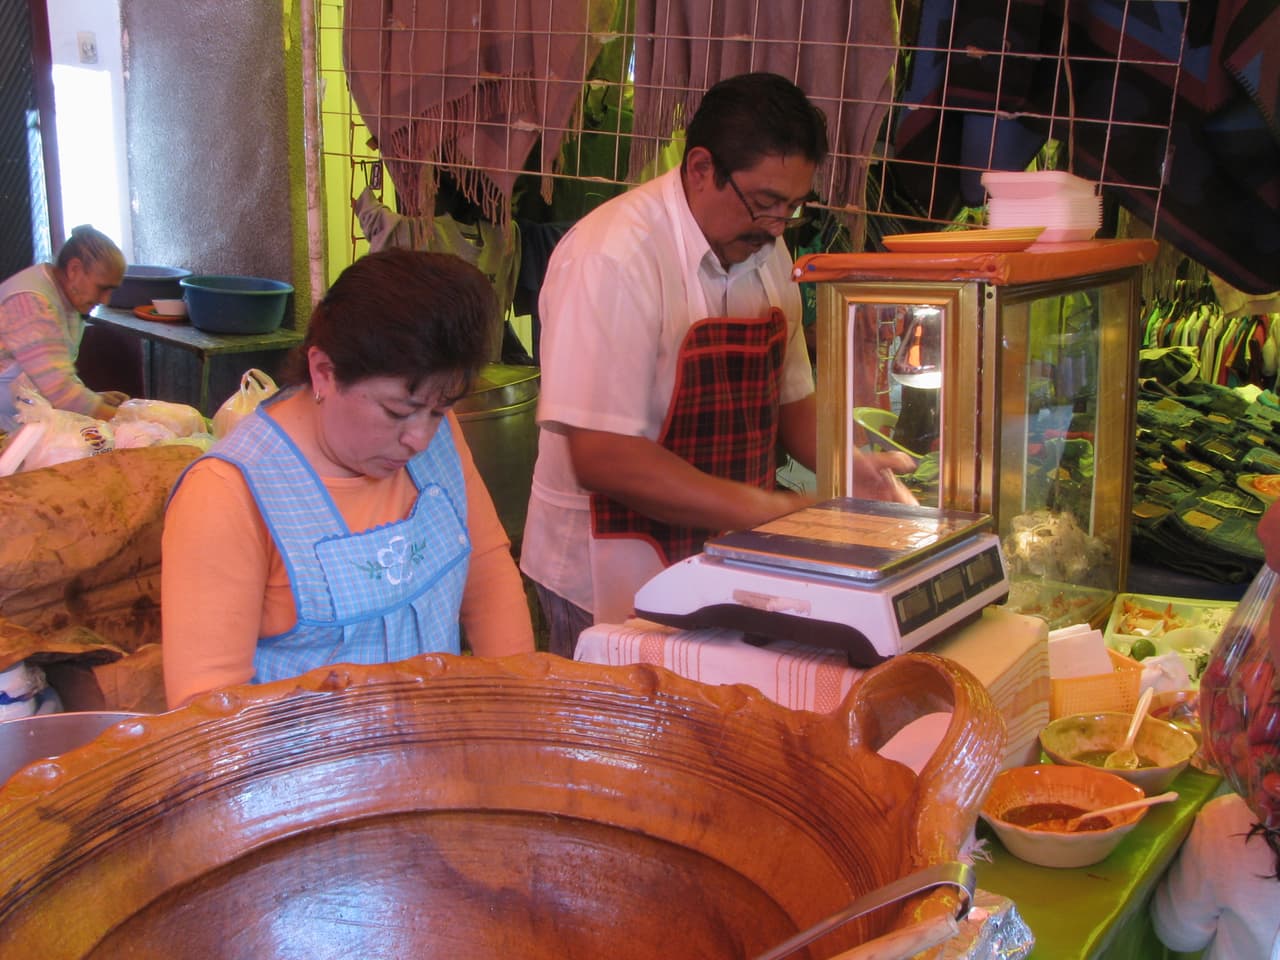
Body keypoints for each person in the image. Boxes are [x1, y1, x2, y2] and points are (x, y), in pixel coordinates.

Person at [520, 72, 915, 656]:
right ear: (701, 168)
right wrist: (773, 510)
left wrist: (848, 468)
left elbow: (792, 400)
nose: (777, 227)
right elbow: (604, 457)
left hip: (722, 556)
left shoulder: (767, 250)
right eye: (764, 203)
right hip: (606, 567)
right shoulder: (612, 258)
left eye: (792, 208)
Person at [162, 249, 535, 709]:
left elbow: (488, 576)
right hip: (300, 777)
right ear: (324, 372)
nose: (419, 438)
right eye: (397, 411)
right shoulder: (226, 494)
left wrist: (521, 711)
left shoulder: (436, 437)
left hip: (435, 760)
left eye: (439, 410)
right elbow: (209, 714)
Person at [0, 224, 129, 426]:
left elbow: (53, 374)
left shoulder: (67, 298)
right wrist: (128, 421)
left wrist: (93, 399)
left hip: (22, 415)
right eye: (102, 288)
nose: (105, 300)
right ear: (74, 269)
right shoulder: (30, 302)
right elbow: (59, 392)